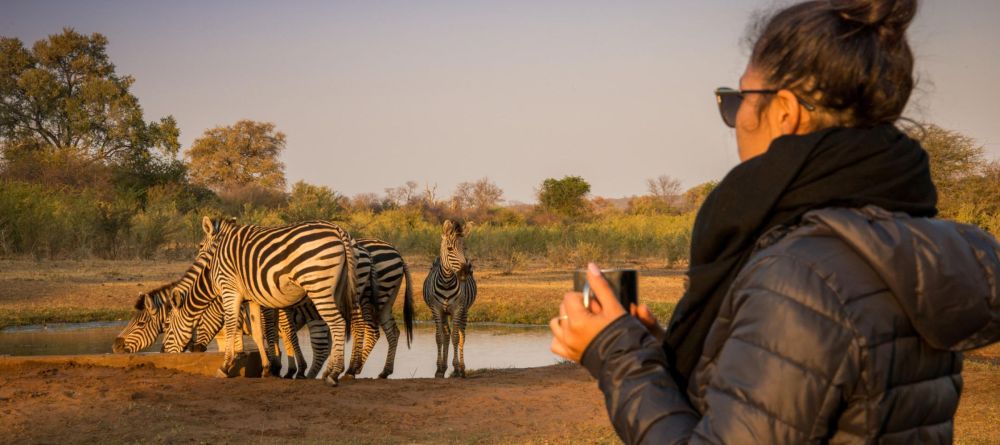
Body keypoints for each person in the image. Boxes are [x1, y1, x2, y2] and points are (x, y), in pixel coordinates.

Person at [549, 0, 1000, 443]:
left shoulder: (801, 275)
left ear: (784, 111)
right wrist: (657, 352)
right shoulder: (906, 250)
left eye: (738, 99)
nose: (735, 118)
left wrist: (616, 353)